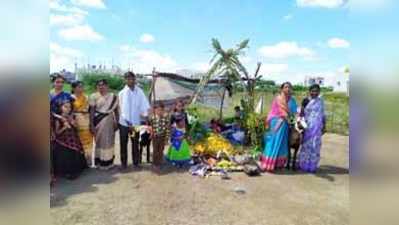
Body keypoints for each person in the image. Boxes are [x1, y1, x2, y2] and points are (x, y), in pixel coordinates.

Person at [118, 72, 150, 170]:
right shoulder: (122, 93)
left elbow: (144, 105)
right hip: (124, 124)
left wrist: (146, 116)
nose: (130, 80)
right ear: (125, 80)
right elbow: (121, 109)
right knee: (123, 143)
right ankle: (124, 163)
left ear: (135, 79)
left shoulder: (139, 91)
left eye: (132, 78)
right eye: (128, 79)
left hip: (135, 123)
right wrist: (128, 123)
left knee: (135, 142)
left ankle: (136, 162)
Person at [260, 82, 293, 172]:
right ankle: (268, 163)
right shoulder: (278, 99)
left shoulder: (291, 100)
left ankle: (278, 164)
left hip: (285, 123)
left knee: (282, 143)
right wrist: (286, 116)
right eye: (286, 87)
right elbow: (277, 111)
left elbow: (294, 111)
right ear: (282, 89)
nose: (288, 89)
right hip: (276, 122)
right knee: (273, 141)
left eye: (289, 87)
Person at [89, 79, 119, 170]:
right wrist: (91, 124)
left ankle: (108, 163)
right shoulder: (93, 96)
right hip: (98, 122)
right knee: (99, 142)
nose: (101, 87)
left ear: (107, 86)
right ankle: (99, 162)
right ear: (97, 87)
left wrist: (117, 122)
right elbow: (92, 111)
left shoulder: (113, 97)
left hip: (109, 121)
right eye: (99, 85)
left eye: (103, 85)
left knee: (109, 141)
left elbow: (116, 111)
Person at [53, 101, 87, 179]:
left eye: (69, 107)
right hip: (63, 142)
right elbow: (56, 133)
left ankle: (76, 170)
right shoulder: (58, 119)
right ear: (61, 108)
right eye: (65, 107)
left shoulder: (72, 116)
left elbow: (77, 128)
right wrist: (64, 127)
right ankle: (66, 172)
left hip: (74, 139)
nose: (67, 109)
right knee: (66, 156)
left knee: (74, 154)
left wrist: (73, 123)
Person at [49, 74, 74, 184]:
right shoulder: (48, 95)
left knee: (67, 147)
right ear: (53, 83)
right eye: (57, 82)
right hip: (53, 122)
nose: (60, 84)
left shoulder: (67, 95)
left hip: (67, 121)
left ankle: (67, 170)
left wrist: (70, 117)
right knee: (55, 147)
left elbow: (72, 108)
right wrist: (59, 117)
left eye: (61, 82)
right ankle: (56, 171)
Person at [298, 84, 326, 173]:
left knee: (315, 146)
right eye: (313, 91)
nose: (314, 93)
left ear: (319, 92)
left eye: (316, 91)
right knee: (306, 146)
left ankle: (312, 165)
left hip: (317, 128)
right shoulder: (306, 100)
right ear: (309, 91)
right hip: (308, 127)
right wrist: (301, 124)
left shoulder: (320, 101)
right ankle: (303, 164)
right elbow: (301, 113)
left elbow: (322, 114)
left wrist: (324, 126)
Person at [71, 81, 93, 164]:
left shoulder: (87, 97)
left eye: (82, 87)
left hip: (86, 121)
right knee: (77, 141)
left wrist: (91, 123)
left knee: (87, 141)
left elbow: (91, 111)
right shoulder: (70, 98)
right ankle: (78, 162)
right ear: (73, 88)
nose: (81, 89)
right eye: (78, 87)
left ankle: (87, 161)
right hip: (75, 121)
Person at [149, 103, 169, 169]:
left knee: (161, 150)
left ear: (163, 110)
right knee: (155, 150)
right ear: (155, 110)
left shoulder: (165, 118)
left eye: (161, 110)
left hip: (162, 137)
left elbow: (167, 129)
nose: (159, 112)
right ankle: (155, 163)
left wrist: (166, 139)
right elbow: (150, 127)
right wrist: (151, 133)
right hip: (155, 137)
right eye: (158, 110)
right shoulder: (153, 118)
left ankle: (160, 163)